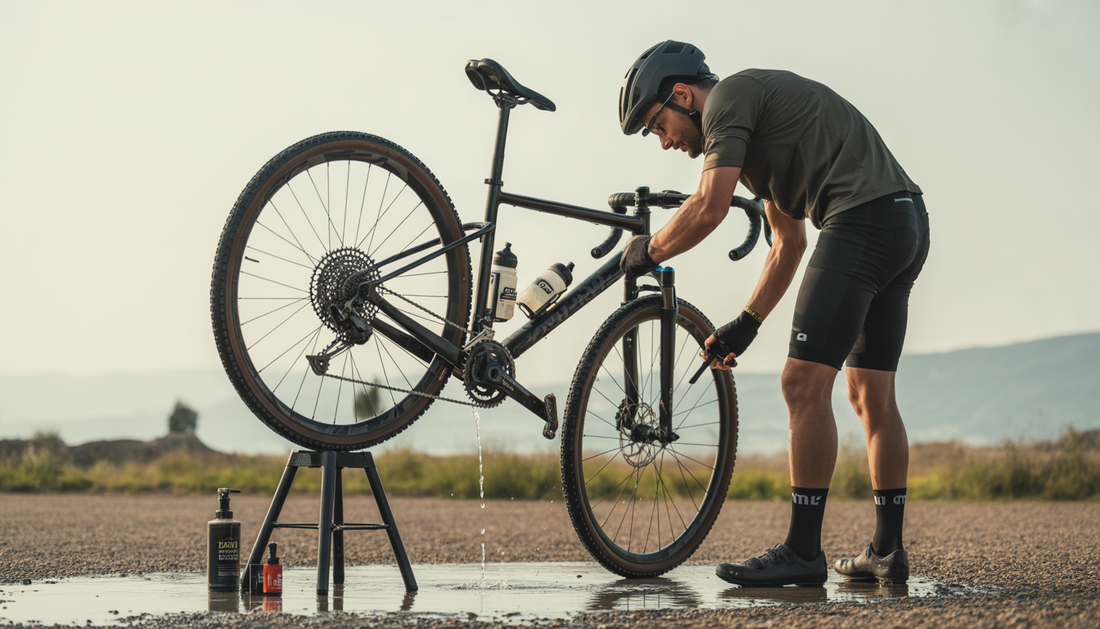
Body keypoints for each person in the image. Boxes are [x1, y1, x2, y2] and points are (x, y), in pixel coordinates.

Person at [618, 40, 929, 586]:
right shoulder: (756, 134)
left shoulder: (729, 100)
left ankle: (803, 552)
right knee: (869, 394)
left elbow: (708, 208)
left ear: (684, 94)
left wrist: (649, 250)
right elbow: (787, 243)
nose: (662, 142)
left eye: (656, 124)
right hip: (905, 219)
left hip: (862, 219)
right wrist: (747, 322)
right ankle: (886, 551)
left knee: (801, 383)